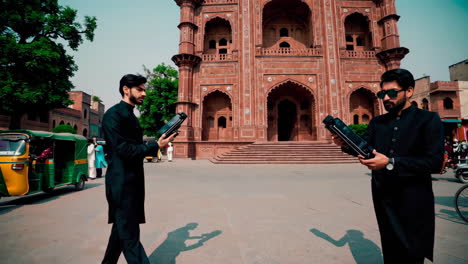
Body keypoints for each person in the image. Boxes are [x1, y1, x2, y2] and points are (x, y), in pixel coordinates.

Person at [332, 68, 444, 264]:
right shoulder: (378, 122)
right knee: (391, 248)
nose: (386, 98)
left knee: (413, 250)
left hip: (414, 197)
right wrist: (345, 144)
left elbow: (434, 162)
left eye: (392, 93)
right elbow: (367, 150)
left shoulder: (427, 120)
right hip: (385, 196)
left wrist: (391, 162)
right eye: (382, 94)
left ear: (409, 91)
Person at [101, 74, 176, 264]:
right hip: (121, 183)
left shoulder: (129, 115)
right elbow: (123, 149)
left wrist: (158, 142)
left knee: (121, 232)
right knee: (130, 235)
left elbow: (133, 147)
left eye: (144, 89)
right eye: (140, 89)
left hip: (132, 182)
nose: (144, 93)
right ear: (126, 89)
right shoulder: (113, 115)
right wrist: (155, 146)